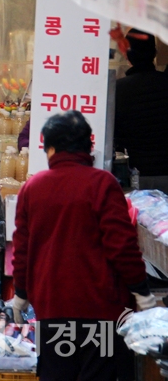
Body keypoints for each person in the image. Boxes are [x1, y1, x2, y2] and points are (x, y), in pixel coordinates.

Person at [12, 110, 155, 381]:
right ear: (88, 146)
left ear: (50, 148)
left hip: (52, 310)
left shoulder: (33, 188)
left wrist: (21, 293)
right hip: (101, 313)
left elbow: (23, 249)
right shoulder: (103, 184)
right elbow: (122, 246)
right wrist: (141, 292)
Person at [114, 29, 168, 192]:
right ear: (154, 53)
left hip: (135, 178)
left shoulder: (118, 90)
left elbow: (115, 135)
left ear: (126, 54)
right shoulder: (165, 83)